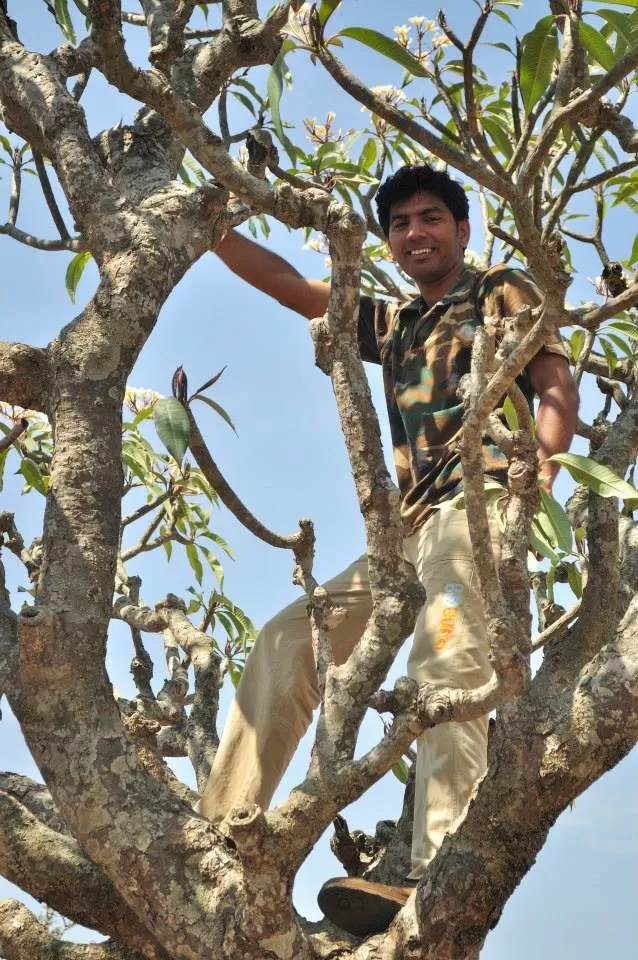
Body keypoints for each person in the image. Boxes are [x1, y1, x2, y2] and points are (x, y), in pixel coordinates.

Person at [199, 164, 579, 937]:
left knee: (447, 664)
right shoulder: (397, 322)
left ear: (461, 230)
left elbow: (554, 382)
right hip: (405, 533)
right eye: (400, 223)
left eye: (430, 217)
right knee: (287, 641)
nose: (415, 232)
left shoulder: (499, 289)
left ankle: (434, 869)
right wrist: (213, 229)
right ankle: (217, 839)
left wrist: (536, 478)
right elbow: (292, 288)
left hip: (475, 508)